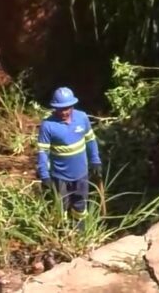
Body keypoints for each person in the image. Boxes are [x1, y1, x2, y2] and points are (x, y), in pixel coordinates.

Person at [36, 86, 102, 227]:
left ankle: (80, 232)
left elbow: (90, 140)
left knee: (80, 204)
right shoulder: (48, 126)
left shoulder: (82, 118)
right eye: (60, 109)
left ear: (72, 106)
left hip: (81, 173)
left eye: (67, 108)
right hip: (60, 176)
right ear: (54, 108)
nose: (64, 112)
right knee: (61, 206)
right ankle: (62, 233)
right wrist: (44, 175)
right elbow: (43, 152)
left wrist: (95, 160)